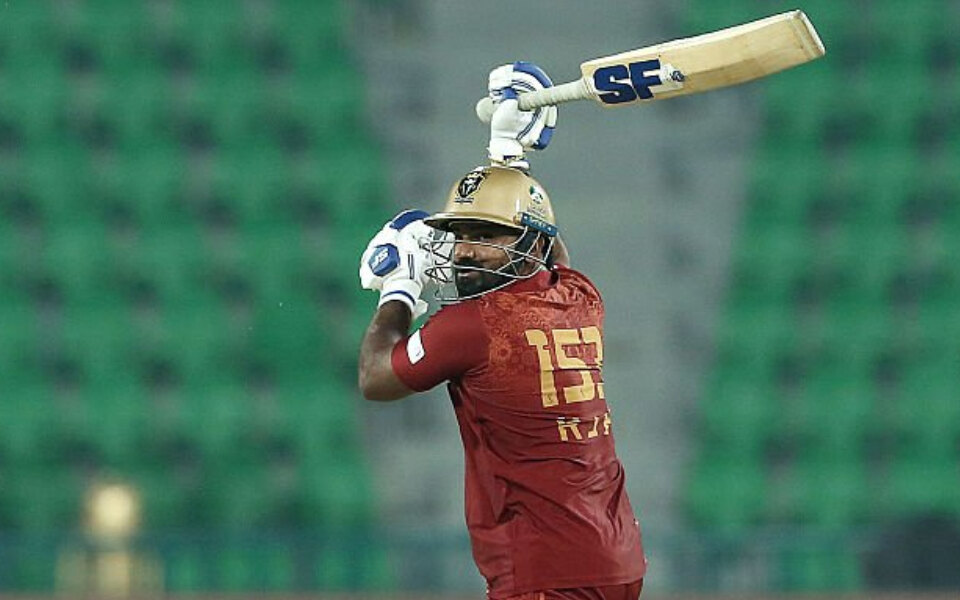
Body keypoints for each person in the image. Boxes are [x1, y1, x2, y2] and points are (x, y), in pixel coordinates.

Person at [357, 62, 646, 599]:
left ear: (529, 244)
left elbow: (375, 378)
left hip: (545, 570)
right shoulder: (579, 298)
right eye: (460, 233)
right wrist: (507, 155)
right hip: (615, 559)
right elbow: (550, 253)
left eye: (486, 235)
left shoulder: (471, 328)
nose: (465, 250)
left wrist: (399, 290)